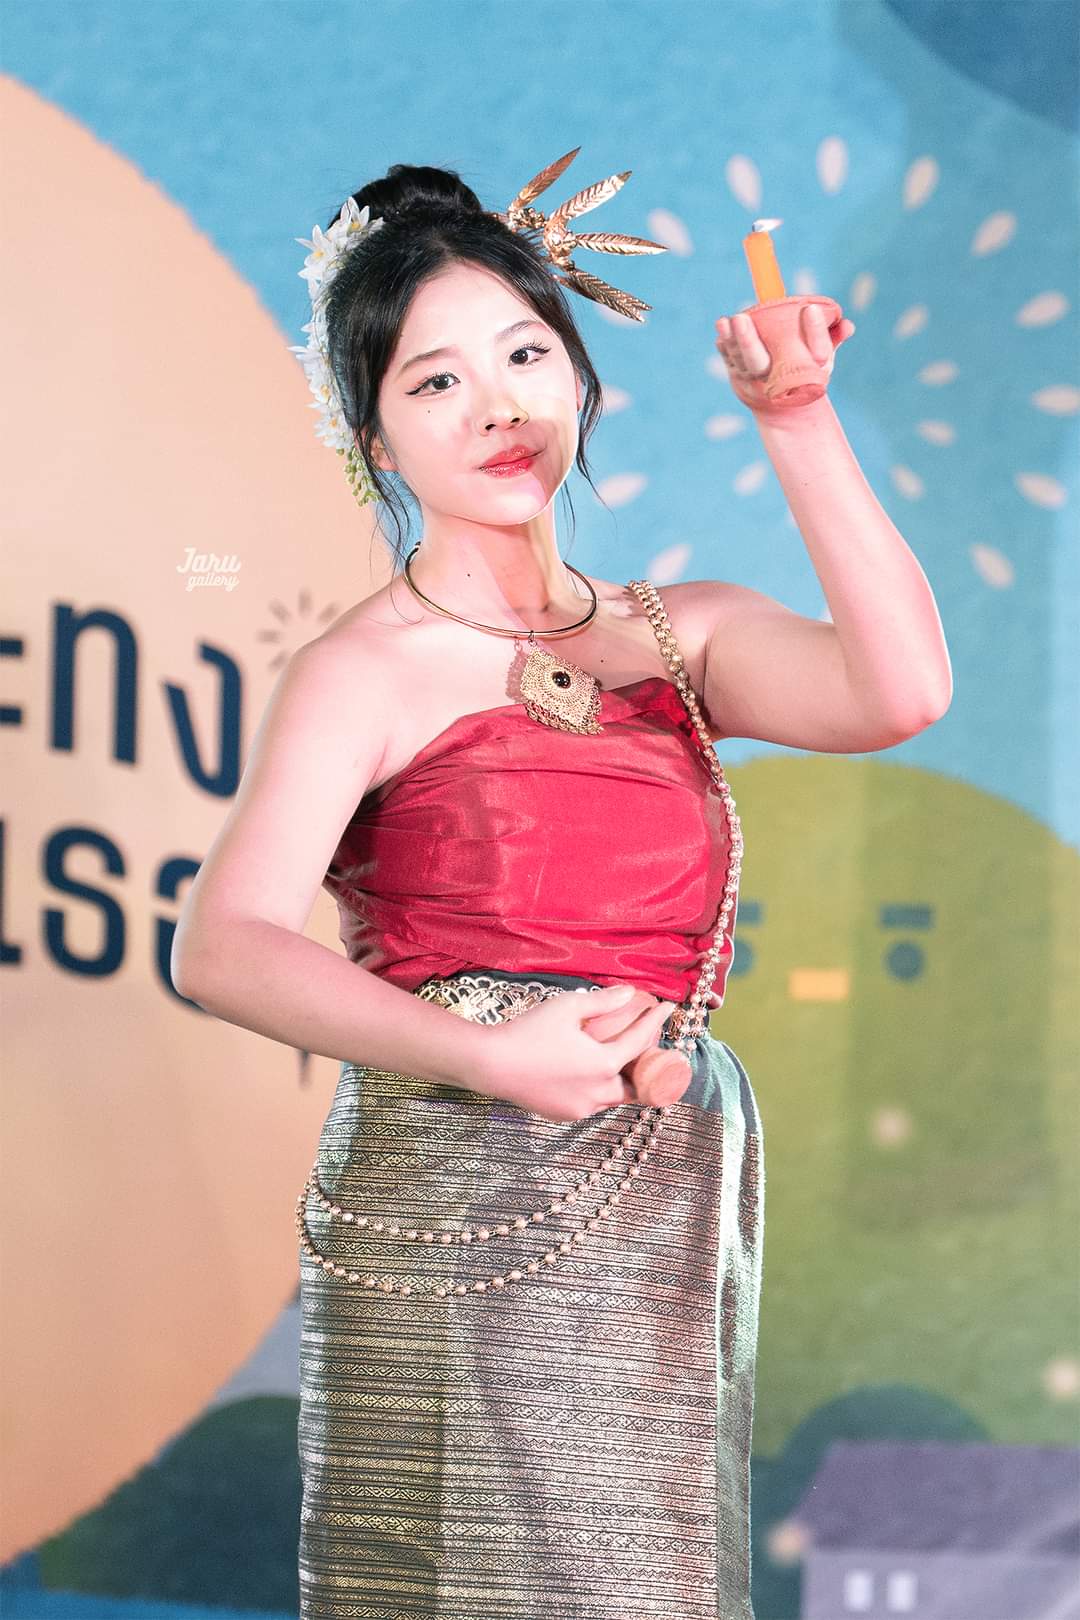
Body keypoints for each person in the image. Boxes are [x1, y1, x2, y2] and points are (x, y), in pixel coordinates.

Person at [171, 152, 951, 1619]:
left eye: (526, 354)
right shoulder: (365, 669)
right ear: (375, 438)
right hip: (456, 1183)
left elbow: (900, 689)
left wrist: (796, 422)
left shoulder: (680, 634)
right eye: (437, 381)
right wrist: (486, 1054)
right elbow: (225, 943)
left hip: (660, 1186)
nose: (499, 406)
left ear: (581, 377)